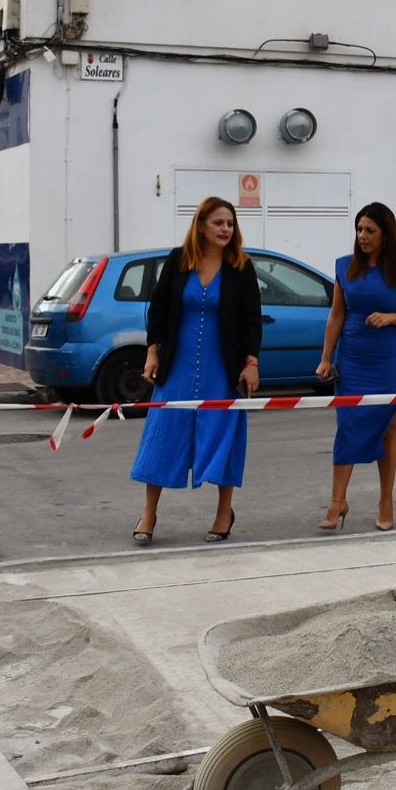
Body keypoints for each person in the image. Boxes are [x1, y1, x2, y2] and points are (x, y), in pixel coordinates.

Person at [131, 196, 262, 545]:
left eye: (230, 224)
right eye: (218, 223)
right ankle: (149, 513)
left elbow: (251, 319)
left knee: (223, 435)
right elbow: (158, 310)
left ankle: (223, 512)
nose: (225, 229)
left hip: (223, 368)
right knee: (164, 432)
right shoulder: (178, 261)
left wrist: (251, 362)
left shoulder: (241, 268)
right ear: (201, 225)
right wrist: (153, 352)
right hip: (179, 364)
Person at [316, 202, 396, 532]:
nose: (362, 236)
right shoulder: (345, 267)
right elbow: (336, 314)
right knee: (348, 424)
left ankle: (386, 500)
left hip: (390, 359)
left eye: (369, 230)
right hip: (352, 357)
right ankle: (337, 501)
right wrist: (325, 357)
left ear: (386, 235)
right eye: (359, 229)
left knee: (387, 427)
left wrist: (394, 318)